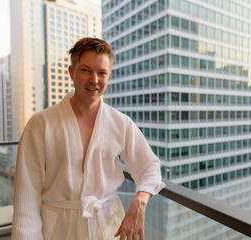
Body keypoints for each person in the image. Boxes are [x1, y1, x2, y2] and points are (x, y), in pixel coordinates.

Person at [12, 37, 165, 240]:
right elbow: (26, 200)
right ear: (71, 72)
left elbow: (149, 167)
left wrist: (140, 201)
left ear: (109, 75)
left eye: (101, 73)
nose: (94, 79)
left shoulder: (121, 123)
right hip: (58, 231)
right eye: (85, 70)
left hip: (109, 228)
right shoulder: (41, 124)